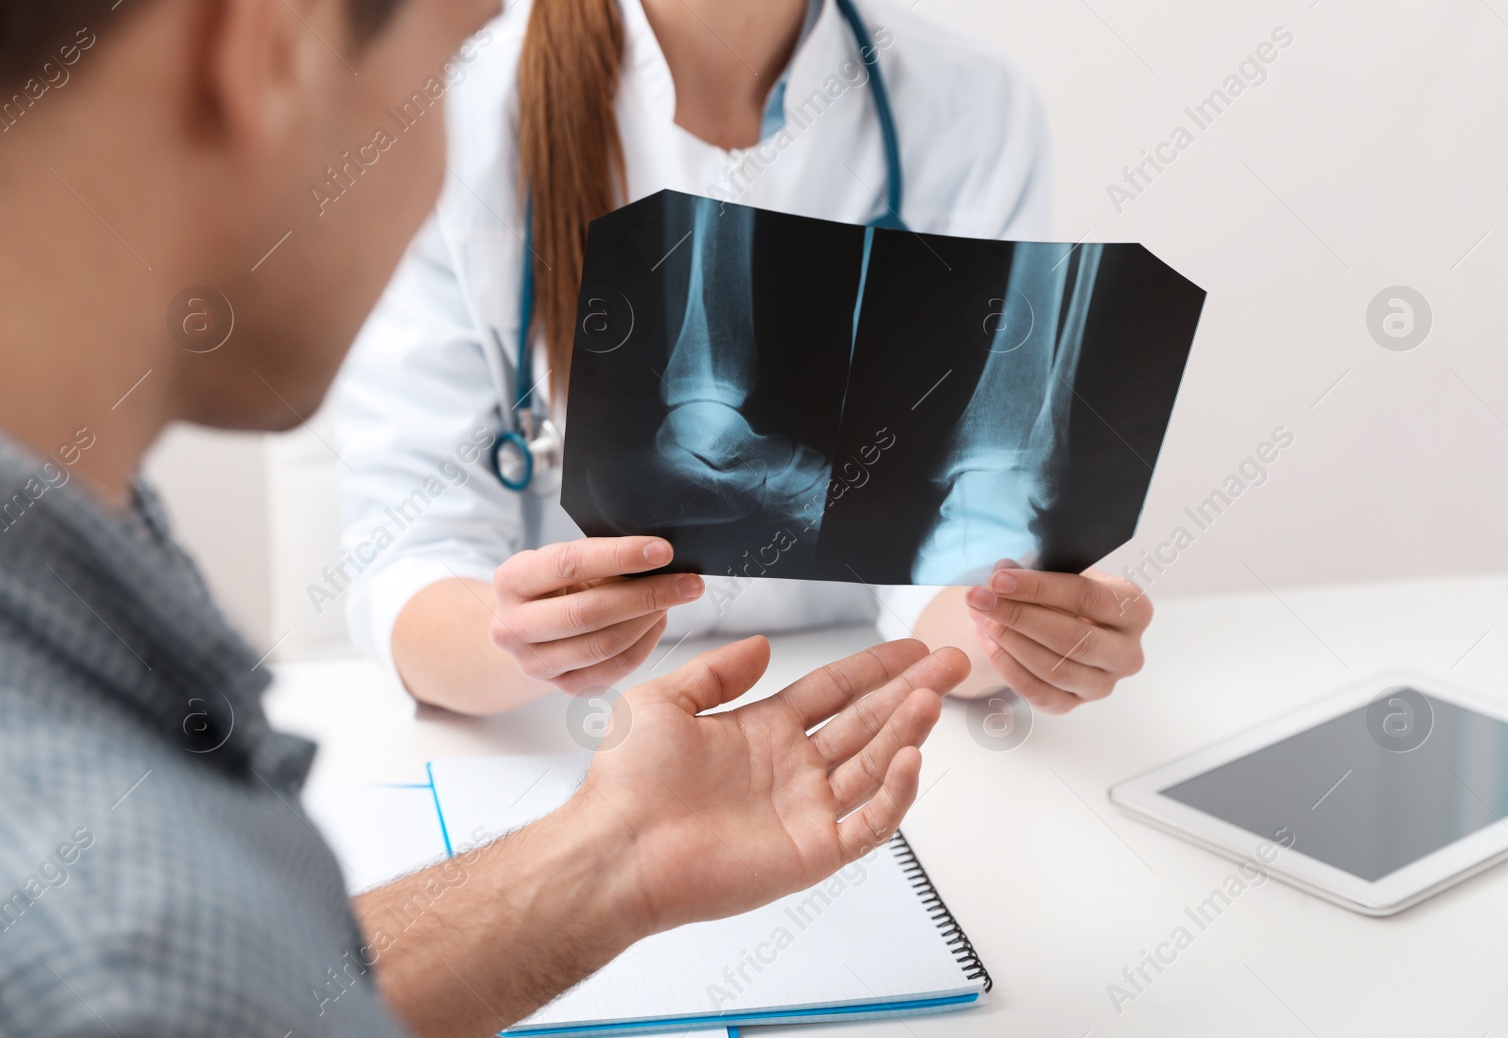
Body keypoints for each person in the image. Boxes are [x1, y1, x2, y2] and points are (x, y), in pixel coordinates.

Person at [0, 1, 971, 1034]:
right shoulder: (121, 971)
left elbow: (264, 974)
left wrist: (613, 857)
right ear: (270, 49)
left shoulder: (81, 582)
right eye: (453, 53)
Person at [332, 0, 1154, 718]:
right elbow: (405, 563)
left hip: (861, 708)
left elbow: (960, 553)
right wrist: (518, 641)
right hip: (570, 735)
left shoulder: (973, 105)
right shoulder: (449, 101)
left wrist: (1018, 637)